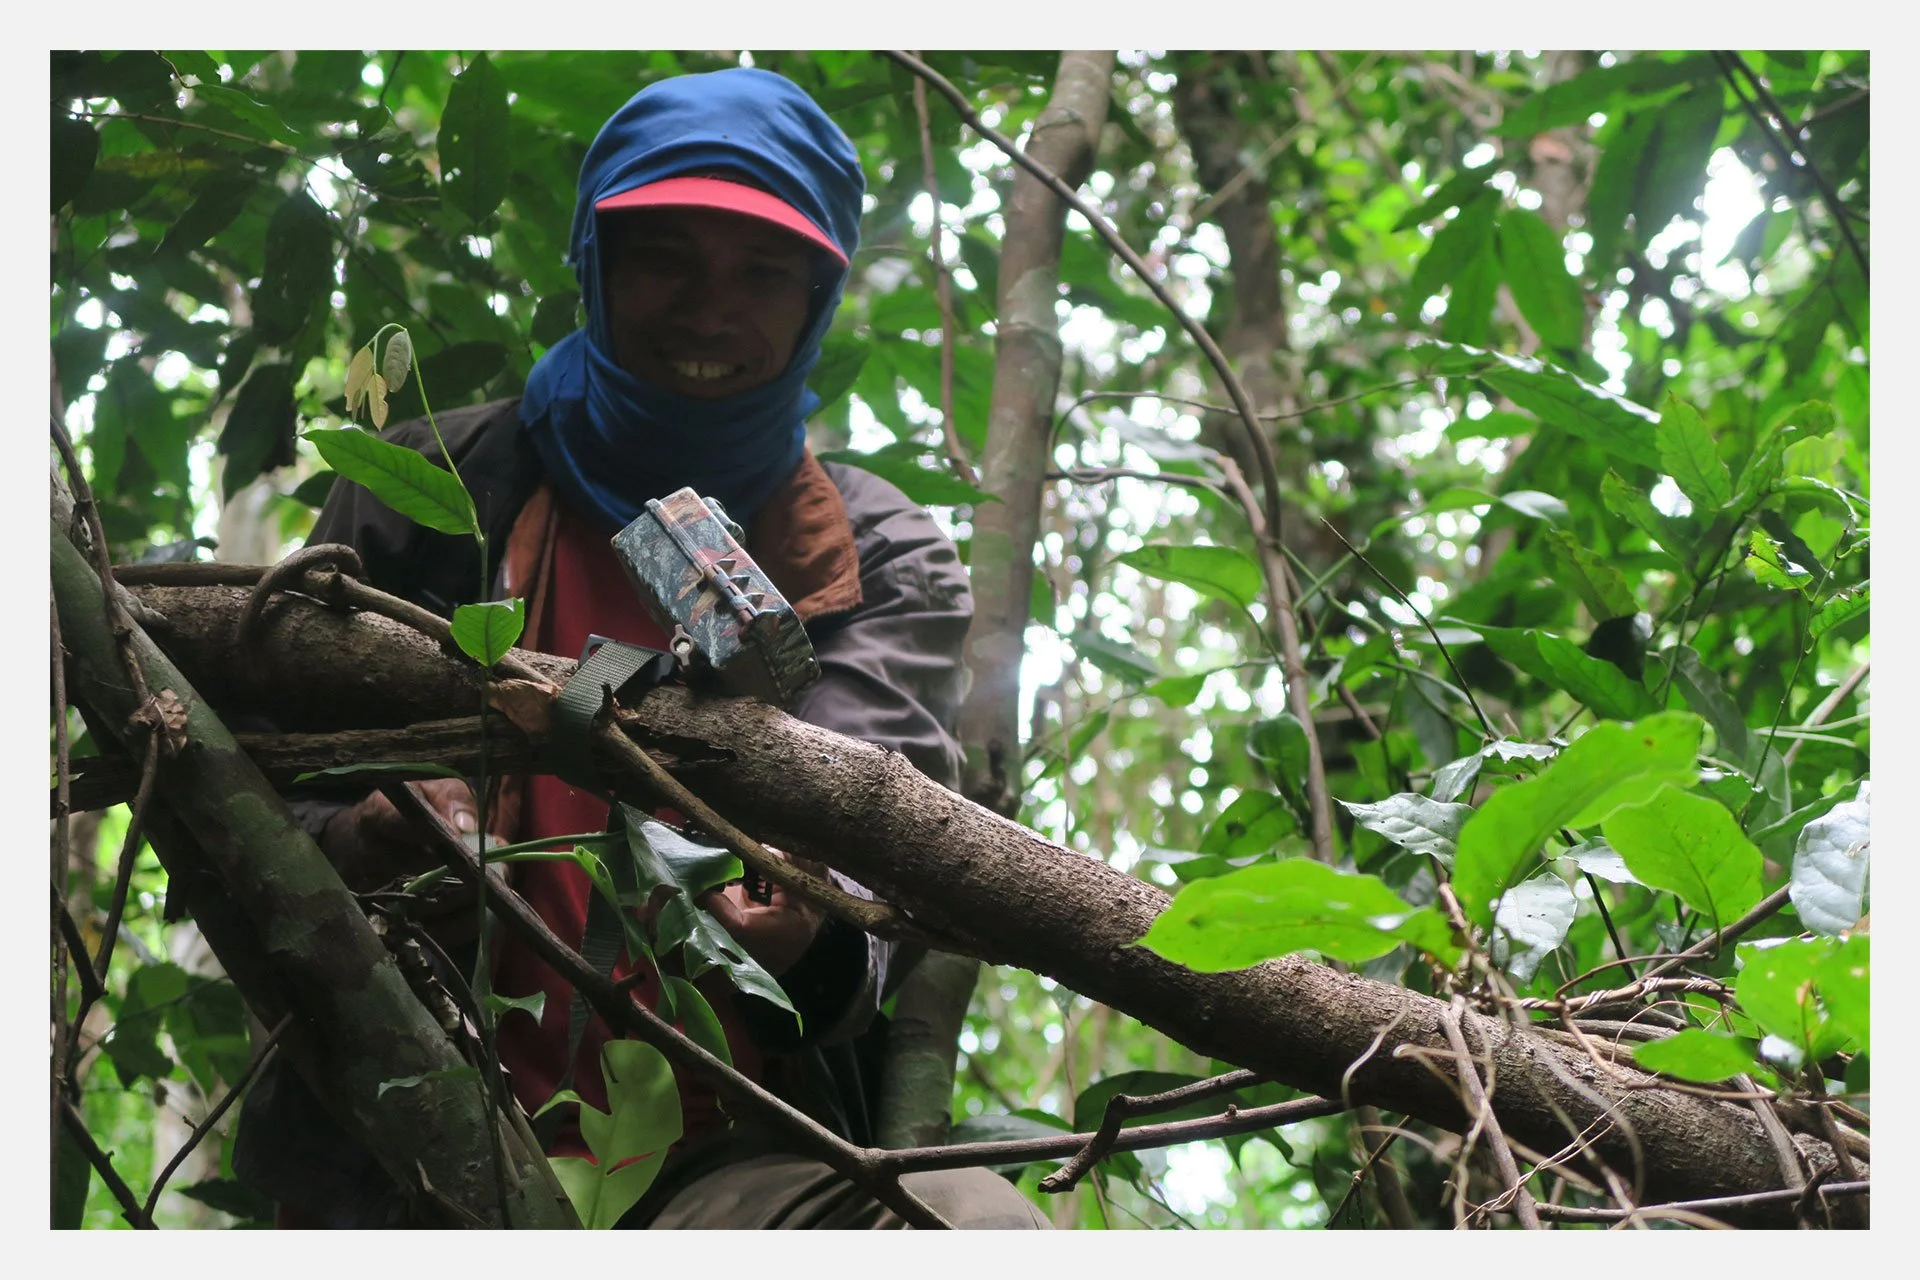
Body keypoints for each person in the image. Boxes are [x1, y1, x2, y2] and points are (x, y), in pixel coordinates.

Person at [233, 66, 1047, 1230]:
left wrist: (810, 925)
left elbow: (877, 824)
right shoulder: (434, 489)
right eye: (666, 254)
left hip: (726, 1167)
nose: (710, 310)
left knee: (976, 1227)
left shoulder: (871, 548)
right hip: (391, 1137)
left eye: (763, 272)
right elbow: (250, 781)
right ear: (594, 264)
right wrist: (359, 837)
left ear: (818, 296)